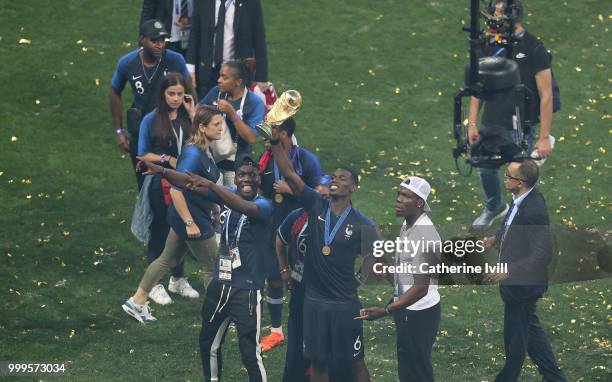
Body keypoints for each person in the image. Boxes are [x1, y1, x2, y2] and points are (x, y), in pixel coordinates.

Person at [264, 126, 378, 382]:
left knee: (356, 363)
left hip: (344, 303)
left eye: (343, 178)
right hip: (314, 303)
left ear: (354, 188)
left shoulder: (362, 223)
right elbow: (291, 175)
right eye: (334, 177)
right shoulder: (316, 205)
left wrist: (363, 274)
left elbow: (375, 251)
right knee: (318, 364)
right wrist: (274, 142)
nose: (336, 180)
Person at [122, 105, 223, 323]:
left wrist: (214, 208)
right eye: (217, 124)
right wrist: (189, 223)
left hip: (191, 215)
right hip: (192, 219)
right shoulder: (194, 154)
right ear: (203, 127)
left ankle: (136, 302)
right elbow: (177, 191)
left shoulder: (202, 148)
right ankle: (218, 315)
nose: (221, 128)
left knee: (167, 259)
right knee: (212, 266)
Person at [468, 0, 554, 227]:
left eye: (497, 14)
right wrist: (472, 123)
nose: (493, 19)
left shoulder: (534, 47)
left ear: (511, 17)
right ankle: (495, 207)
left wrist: (544, 137)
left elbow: (546, 94)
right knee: (484, 167)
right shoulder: (490, 45)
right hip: (490, 122)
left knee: (519, 178)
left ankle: (521, 221)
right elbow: (479, 86)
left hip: (520, 125)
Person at [483, 160, 566, 382]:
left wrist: (509, 271)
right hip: (518, 287)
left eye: (508, 176)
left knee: (515, 343)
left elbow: (542, 254)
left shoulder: (533, 211)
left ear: (521, 182)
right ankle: (555, 378)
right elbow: (511, 225)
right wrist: (495, 239)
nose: (505, 179)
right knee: (531, 336)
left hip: (523, 287)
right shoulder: (521, 199)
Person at [358, 176, 442, 382]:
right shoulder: (408, 225)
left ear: (420, 203)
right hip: (408, 307)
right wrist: (389, 273)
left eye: (405, 196)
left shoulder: (426, 235)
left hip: (419, 312)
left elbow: (421, 287)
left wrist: (387, 310)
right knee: (407, 369)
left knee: (417, 372)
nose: (398, 199)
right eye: (398, 193)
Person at [258, 118, 323, 352]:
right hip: (272, 228)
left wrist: (293, 190)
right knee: (274, 279)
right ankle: (276, 331)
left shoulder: (306, 160)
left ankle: (307, 327)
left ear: (283, 134)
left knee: (302, 283)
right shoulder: (265, 159)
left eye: (269, 134)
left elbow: (321, 195)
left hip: (302, 232)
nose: (264, 139)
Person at [136, 72, 199, 305]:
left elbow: (202, 142)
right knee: (160, 230)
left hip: (184, 182)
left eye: (180, 94)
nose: (175, 98)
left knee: (180, 229)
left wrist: (193, 113)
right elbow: (142, 154)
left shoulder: (186, 118)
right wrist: (167, 159)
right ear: (163, 94)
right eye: (171, 93)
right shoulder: (151, 119)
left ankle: (177, 279)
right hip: (159, 183)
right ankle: (155, 285)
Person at [110, 19, 191, 189]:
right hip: (142, 133)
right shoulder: (127, 63)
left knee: (176, 184)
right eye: (154, 41)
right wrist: (119, 130)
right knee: (146, 186)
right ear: (142, 39)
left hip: (172, 133)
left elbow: (191, 93)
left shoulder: (175, 60)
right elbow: (114, 92)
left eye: (162, 40)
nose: (159, 45)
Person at [200, 60, 264, 186]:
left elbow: (251, 138)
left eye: (224, 77)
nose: (219, 80)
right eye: (220, 75)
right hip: (211, 162)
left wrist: (232, 114)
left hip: (236, 168)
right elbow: (199, 112)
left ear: (238, 82)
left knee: (233, 203)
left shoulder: (255, 103)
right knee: (214, 203)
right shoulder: (216, 92)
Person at [186, 0, 269, 97]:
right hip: (208, 72)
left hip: (237, 74)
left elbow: (259, 39)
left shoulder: (250, 3)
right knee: (207, 109)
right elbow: (195, 34)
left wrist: (261, 77)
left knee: (236, 111)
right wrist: (190, 68)